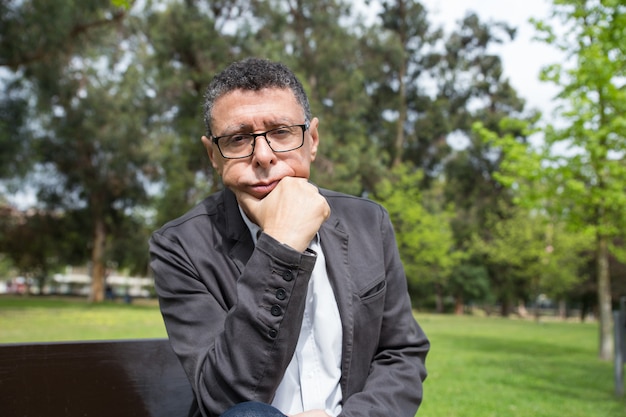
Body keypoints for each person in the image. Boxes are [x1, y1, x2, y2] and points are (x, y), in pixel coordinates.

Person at [149, 57, 430, 417]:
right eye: (238, 139)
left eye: (281, 132)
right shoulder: (180, 246)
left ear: (311, 140)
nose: (263, 156)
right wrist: (282, 245)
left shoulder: (367, 222)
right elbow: (227, 399)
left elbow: (401, 353)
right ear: (213, 156)